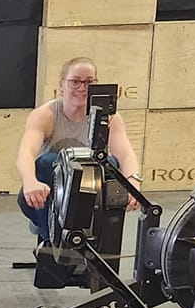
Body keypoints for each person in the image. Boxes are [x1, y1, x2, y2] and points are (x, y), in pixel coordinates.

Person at [16, 55, 142, 239]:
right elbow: (25, 153)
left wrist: (133, 182)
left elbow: (126, 155)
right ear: (61, 85)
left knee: (111, 164)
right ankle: (51, 241)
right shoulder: (45, 115)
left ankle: (100, 246)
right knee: (45, 162)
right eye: (75, 82)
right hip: (55, 189)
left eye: (88, 82)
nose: (82, 88)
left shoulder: (110, 118)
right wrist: (30, 182)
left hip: (90, 188)